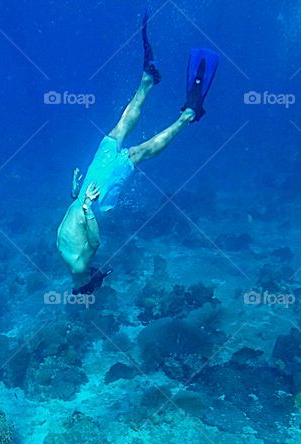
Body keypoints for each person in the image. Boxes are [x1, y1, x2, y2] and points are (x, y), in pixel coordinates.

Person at [56, 10, 220, 295]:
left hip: (94, 196)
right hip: (86, 191)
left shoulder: (80, 267)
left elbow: (94, 242)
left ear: (88, 281)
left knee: (137, 153)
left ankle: (186, 115)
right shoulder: (62, 253)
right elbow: (72, 226)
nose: (96, 272)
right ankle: (146, 80)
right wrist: (76, 198)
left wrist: (83, 205)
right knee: (117, 133)